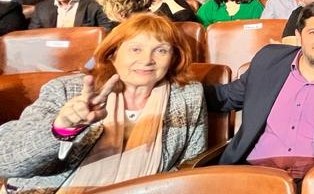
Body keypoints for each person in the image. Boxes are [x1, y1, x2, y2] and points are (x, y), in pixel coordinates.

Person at [0, 13, 207, 193]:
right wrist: (61, 130)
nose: (147, 60)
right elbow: (6, 160)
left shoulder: (188, 95)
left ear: (174, 58)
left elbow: (188, 167)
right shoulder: (67, 90)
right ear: (113, 54)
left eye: (161, 50)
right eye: (135, 49)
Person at [205, 0, 314, 179]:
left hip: (311, 181)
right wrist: (184, 88)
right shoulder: (269, 61)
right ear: (298, 36)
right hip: (251, 174)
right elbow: (225, 97)